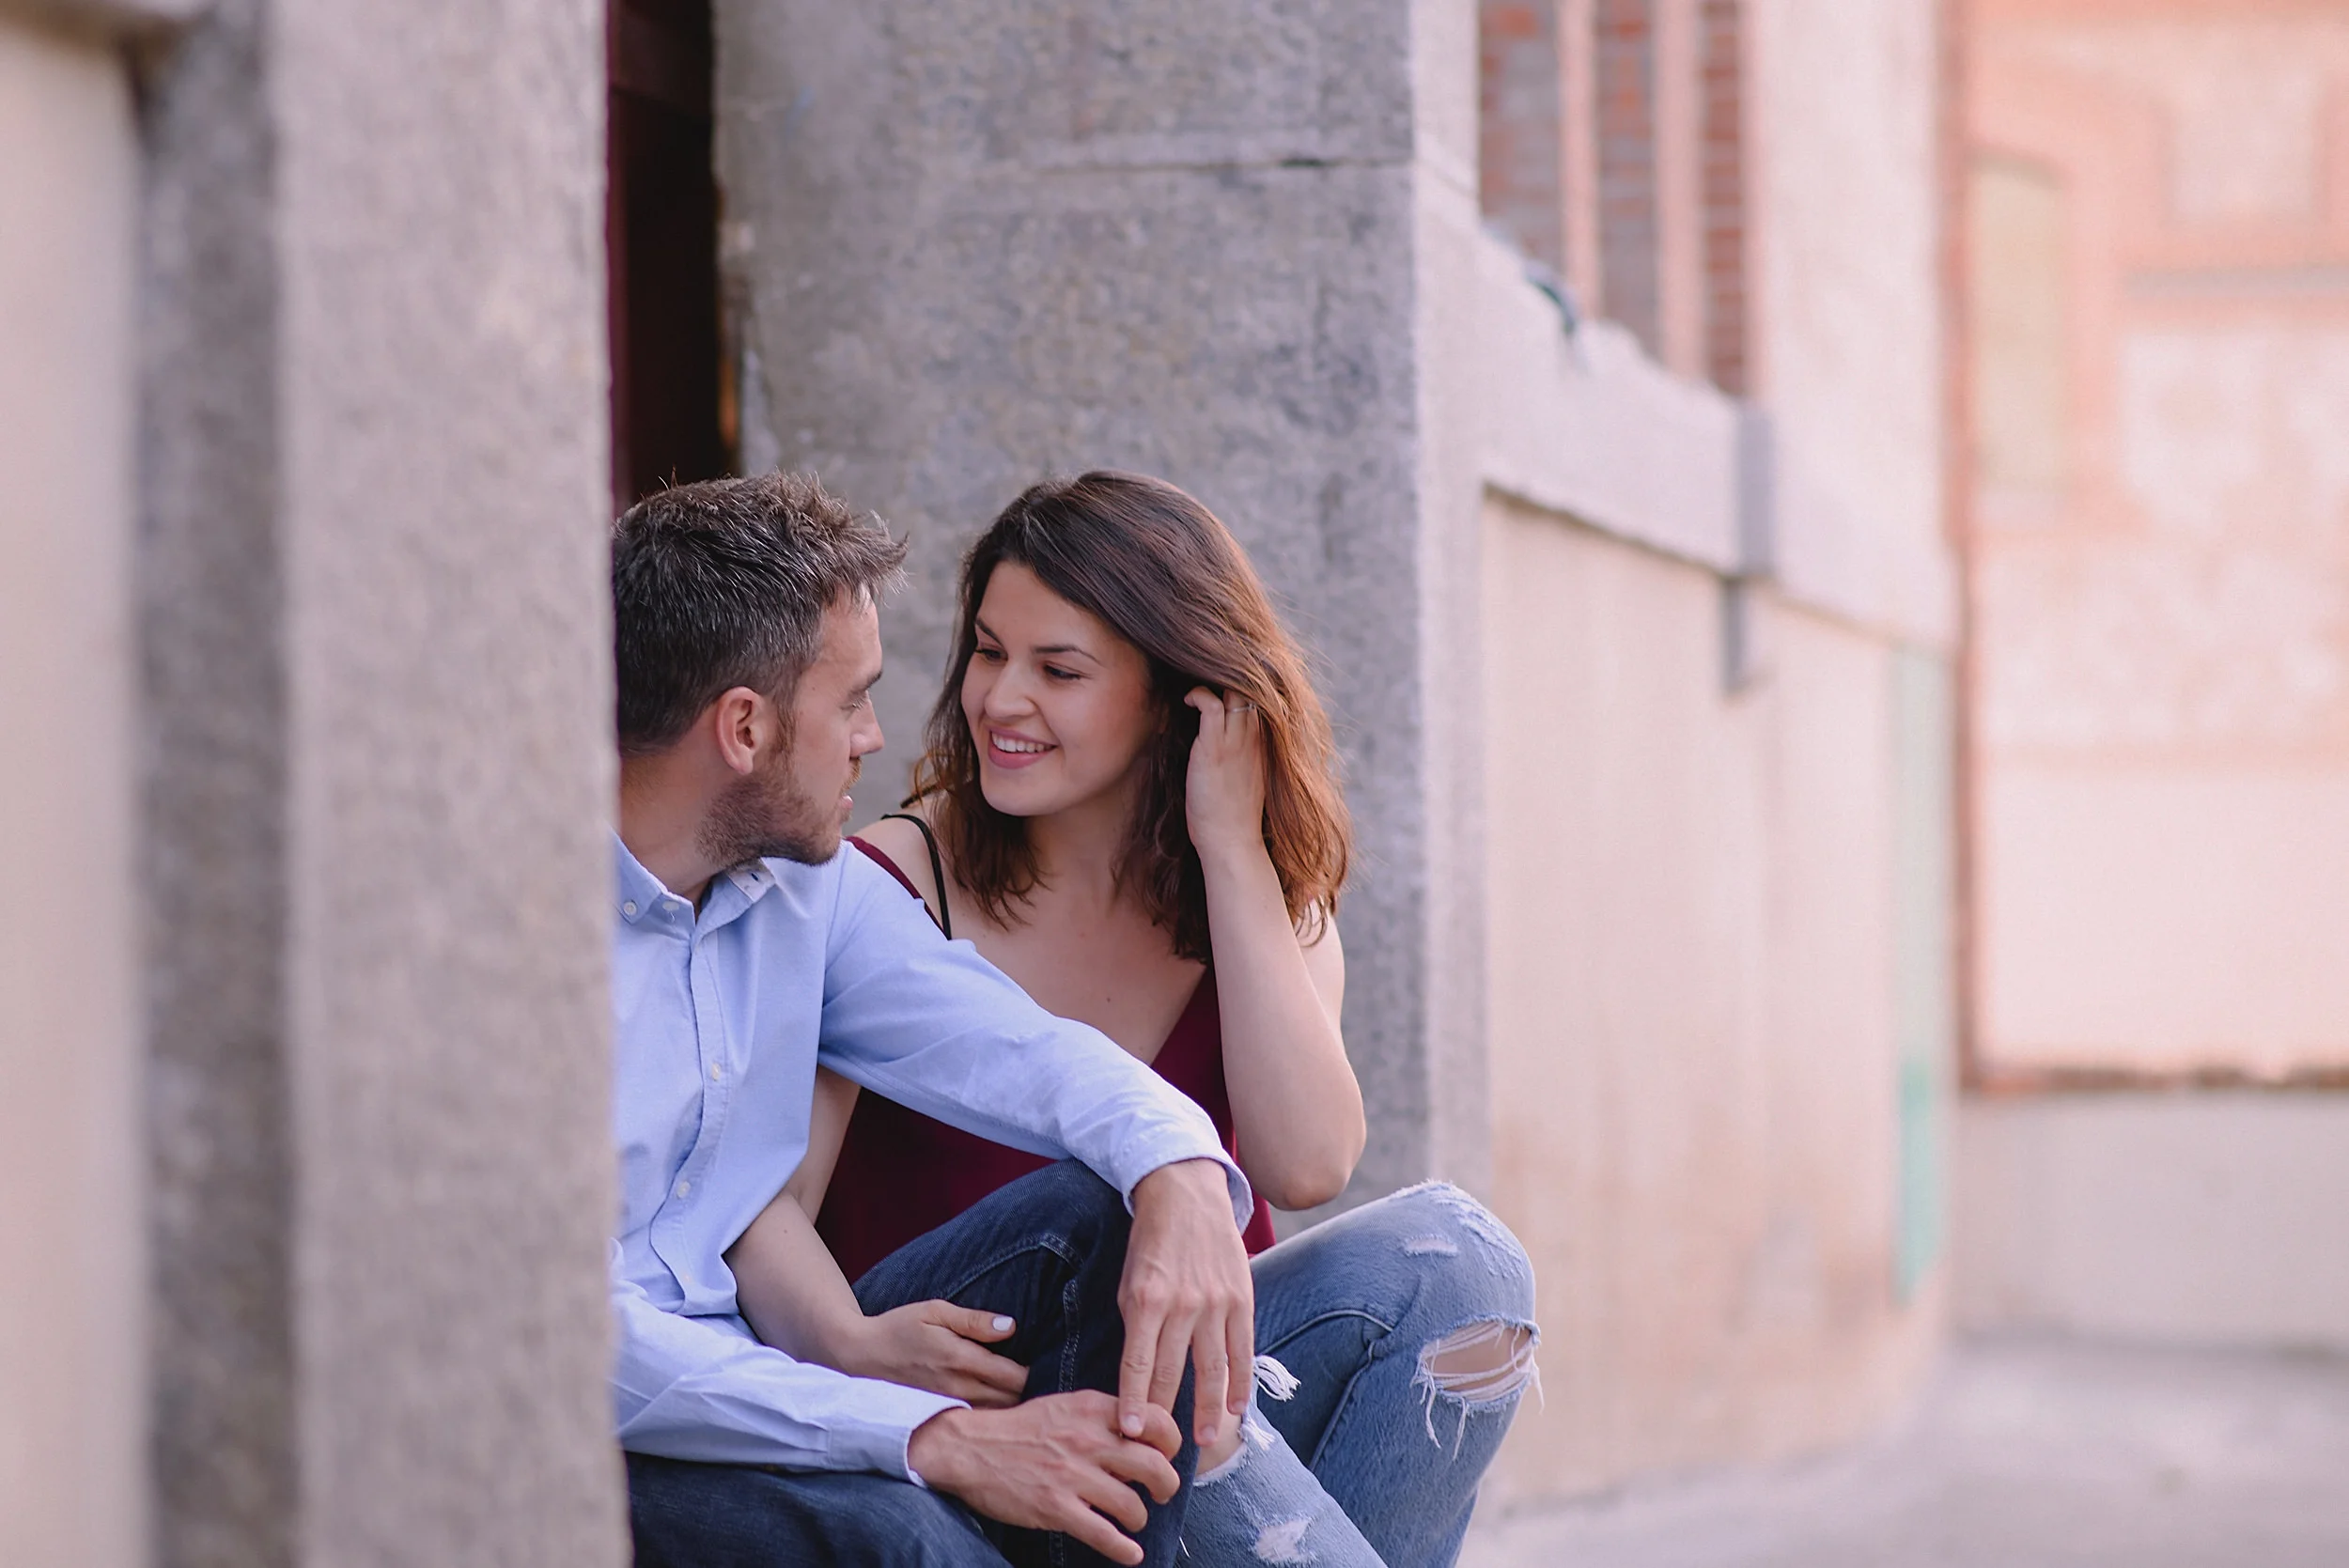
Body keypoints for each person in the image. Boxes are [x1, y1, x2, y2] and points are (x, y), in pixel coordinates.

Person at [726, 472, 1541, 1568]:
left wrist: (1233, 850)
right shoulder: (889, 883)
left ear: (1178, 697)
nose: (1001, 700)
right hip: (962, 1391)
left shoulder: (1258, 900)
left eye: (1058, 670)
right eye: (987, 651)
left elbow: (1307, 1164)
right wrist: (854, 1348)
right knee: (1104, 1227)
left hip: (1180, 1401)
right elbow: (757, 1201)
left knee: (1465, 1268)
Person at [607, 471, 1264, 1568]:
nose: (875, 737)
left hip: (756, 1360)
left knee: (1103, 1208)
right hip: (595, 1424)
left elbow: (1009, 1044)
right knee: (914, 1541)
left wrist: (1178, 1166)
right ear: (743, 728)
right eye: (851, 699)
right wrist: (934, 1434)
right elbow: (585, 1342)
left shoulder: (802, 891)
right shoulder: (518, 952)